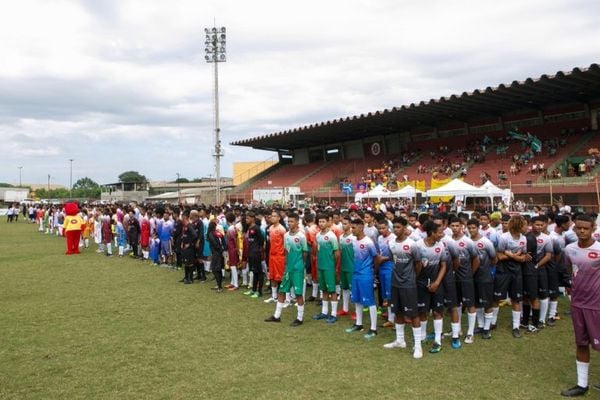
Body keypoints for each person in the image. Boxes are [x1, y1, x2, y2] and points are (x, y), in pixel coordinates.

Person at [560, 214, 600, 397]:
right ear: (574, 228)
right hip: (578, 303)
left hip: (597, 305)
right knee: (581, 343)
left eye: (586, 228)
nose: (582, 231)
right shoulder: (569, 249)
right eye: (579, 228)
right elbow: (569, 270)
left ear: (593, 229)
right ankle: (582, 385)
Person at [385, 217, 424, 359]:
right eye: (394, 227)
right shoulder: (391, 243)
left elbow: (418, 264)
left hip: (409, 284)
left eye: (398, 227)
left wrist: (413, 277)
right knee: (398, 312)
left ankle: (418, 346)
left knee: (413, 314)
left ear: (405, 227)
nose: (395, 230)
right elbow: (392, 260)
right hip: (395, 283)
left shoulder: (412, 244)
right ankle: (400, 341)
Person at [264, 213, 308, 326]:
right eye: (288, 221)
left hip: (297, 269)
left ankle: (300, 318)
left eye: (292, 221)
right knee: (282, 291)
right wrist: (286, 265)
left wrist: (301, 266)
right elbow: (286, 251)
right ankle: (276, 316)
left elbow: (304, 253)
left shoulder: (301, 236)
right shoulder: (287, 235)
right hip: (288, 269)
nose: (289, 224)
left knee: (298, 294)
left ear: (297, 222)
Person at [345, 218, 381, 340]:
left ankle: (373, 329)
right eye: (351, 228)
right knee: (357, 300)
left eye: (354, 228)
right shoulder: (354, 241)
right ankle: (359, 324)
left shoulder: (368, 242)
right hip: (355, 274)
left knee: (369, 301)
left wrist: (374, 273)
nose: (352, 230)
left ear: (361, 227)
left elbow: (376, 258)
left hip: (366, 275)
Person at [494, 215, 529, 338]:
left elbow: (524, 257)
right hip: (503, 271)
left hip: (516, 272)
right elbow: (499, 256)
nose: (525, 227)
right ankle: (492, 322)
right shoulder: (504, 237)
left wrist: (511, 255)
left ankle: (515, 326)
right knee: (496, 298)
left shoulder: (523, 239)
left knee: (516, 299)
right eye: (523, 224)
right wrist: (515, 256)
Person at [416, 221, 447, 353]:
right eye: (439, 232)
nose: (442, 234)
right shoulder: (417, 246)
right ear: (432, 233)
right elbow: (415, 267)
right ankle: (422, 336)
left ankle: (437, 341)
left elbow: (444, 265)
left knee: (437, 312)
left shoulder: (441, 245)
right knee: (422, 311)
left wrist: (436, 283)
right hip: (421, 283)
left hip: (437, 283)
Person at [448, 216, 480, 347]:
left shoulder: (468, 241)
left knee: (470, 304)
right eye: (453, 226)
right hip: (452, 279)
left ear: (462, 226)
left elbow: (476, 259)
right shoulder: (448, 241)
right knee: (455, 304)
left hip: (466, 278)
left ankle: (470, 333)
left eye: (457, 226)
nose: (455, 228)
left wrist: (470, 274)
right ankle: (458, 330)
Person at [466, 219, 497, 340]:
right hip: (471, 277)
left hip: (484, 277)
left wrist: (489, 271)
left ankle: (487, 328)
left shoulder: (486, 242)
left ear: (478, 228)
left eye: (473, 228)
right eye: (469, 228)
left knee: (487, 302)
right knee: (476, 303)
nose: (471, 230)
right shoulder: (467, 242)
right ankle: (480, 325)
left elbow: (494, 259)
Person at [312, 213, 340, 324]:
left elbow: (336, 253)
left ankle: (333, 314)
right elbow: (317, 250)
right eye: (319, 222)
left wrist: (334, 267)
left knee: (332, 290)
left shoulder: (332, 236)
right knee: (323, 289)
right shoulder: (318, 235)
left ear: (328, 222)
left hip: (329, 267)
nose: (321, 223)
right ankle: (324, 312)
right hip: (321, 266)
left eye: (323, 221)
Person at [265, 210, 287, 304]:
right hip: (272, 256)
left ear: (279, 218)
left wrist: (284, 256)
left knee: (281, 278)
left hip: (280, 256)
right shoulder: (270, 228)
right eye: (271, 216)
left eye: (275, 216)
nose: (272, 218)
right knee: (272, 276)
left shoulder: (282, 229)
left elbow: (286, 244)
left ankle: (284, 298)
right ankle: (274, 296)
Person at [244, 212, 265, 298]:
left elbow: (261, 240)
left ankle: (259, 292)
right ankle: (253, 290)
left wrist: (258, 250)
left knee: (259, 272)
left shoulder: (256, 228)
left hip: (256, 253)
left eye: (248, 218)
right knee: (253, 271)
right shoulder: (250, 227)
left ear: (253, 218)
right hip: (251, 252)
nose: (246, 220)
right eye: (246, 218)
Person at [338, 214, 355, 317]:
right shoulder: (340, 237)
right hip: (343, 267)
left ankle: (357, 311)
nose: (343, 226)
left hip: (351, 267)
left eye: (345, 224)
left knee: (353, 289)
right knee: (344, 288)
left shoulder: (353, 237)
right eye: (342, 224)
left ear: (350, 224)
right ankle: (345, 309)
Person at [207, 219, 226, 292]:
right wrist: (223, 248)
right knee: (219, 269)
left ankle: (220, 287)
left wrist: (218, 249)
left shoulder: (210, 233)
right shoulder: (218, 233)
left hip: (216, 253)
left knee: (215, 270)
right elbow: (224, 239)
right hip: (220, 253)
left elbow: (214, 243)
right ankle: (219, 285)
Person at [180, 211, 199, 284]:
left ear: (185, 218)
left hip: (189, 249)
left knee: (190, 263)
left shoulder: (190, 226)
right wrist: (182, 242)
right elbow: (184, 235)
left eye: (182, 218)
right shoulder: (185, 226)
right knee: (186, 262)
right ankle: (186, 277)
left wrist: (190, 244)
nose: (181, 219)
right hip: (185, 247)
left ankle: (190, 279)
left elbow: (195, 235)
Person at [225, 212, 240, 290]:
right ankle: (232, 282)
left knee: (233, 267)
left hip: (232, 250)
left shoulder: (231, 229)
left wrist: (236, 249)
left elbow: (235, 240)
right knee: (232, 266)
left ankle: (236, 284)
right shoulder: (232, 228)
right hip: (232, 249)